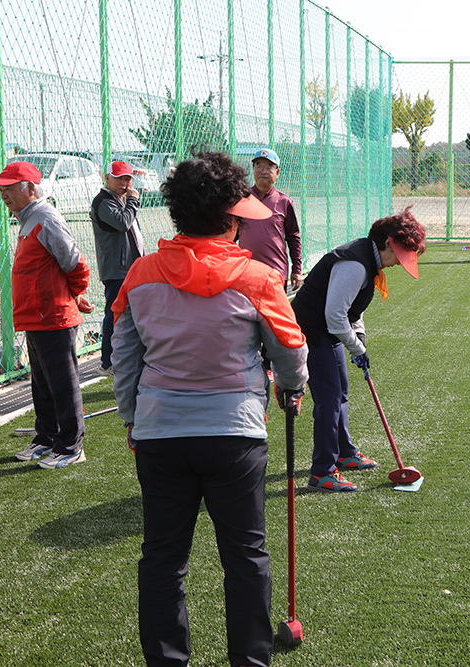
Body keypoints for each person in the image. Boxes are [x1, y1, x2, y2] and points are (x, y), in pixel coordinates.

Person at [111, 152, 309, 667]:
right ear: (230, 218)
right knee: (245, 558)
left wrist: (133, 418)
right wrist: (292, 388)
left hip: (159, 434)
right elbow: (290, 351)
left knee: (162, 561)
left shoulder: (142, 273)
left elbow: (124, 357)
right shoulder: (258, 277)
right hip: (235, 436)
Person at [291, 209, 426, 492]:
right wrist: (355, 346)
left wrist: (359, 339)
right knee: (328, 400)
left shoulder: (369, 259)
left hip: (330, 331)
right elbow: (335, 315)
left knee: (340, 392)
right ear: (388, 243)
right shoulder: (356, 264)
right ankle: (322, 472)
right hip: (313, 330)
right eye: (399, 257)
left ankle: (345, 453)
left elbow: (353, 309)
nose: (397, 265)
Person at [0, 162, 93, 469]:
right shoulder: (28, 219)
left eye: (10, 189)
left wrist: (74, 294)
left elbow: (74, 263)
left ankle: (71, 446)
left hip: (53, 316)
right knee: (42, 383)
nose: (4, 195)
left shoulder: (45, 219)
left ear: (31, 189)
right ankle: (47, 437)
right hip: (38, 315)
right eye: (1, 190)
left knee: (62, 383)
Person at [90, 160, 144, 376]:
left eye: (128, 178)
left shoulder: (119, 199)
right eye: (119, 178)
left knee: (130, 314)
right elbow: (122, 223)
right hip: (116, 270)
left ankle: (126, 355)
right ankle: (107, 362)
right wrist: (133, 201)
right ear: (107, 178)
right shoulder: (103, 201)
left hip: (130, 267)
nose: (124, 183)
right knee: (113, 314)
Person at [236, 148, 303, 291]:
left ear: (277, 173)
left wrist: (297, 269)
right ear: (253, 170)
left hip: (276, 273)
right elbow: (231, 234)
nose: (263, 171)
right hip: (247, 272)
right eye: (258, 166)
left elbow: (293, 237)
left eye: (269, 167)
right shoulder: (241, 199)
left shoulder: (285, 202)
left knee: (274, 314)